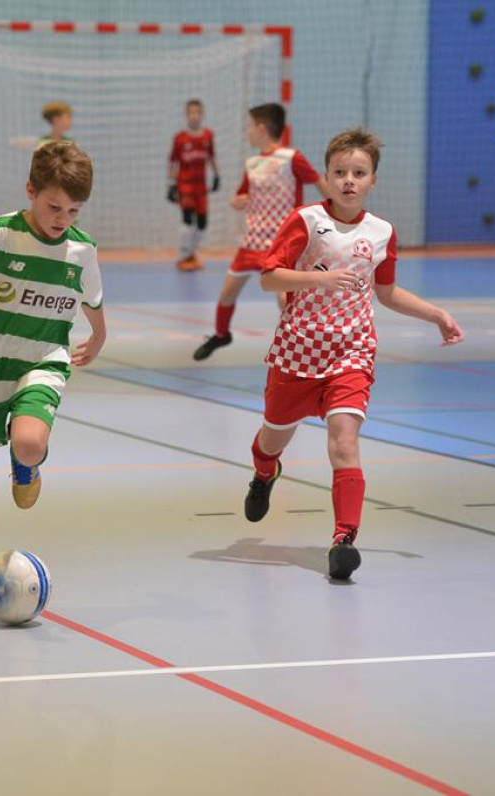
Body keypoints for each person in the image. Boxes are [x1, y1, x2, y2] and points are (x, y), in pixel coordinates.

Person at [242, 128, 464, 581]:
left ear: (373, 180)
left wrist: (436, 314)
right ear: (326, 177)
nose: (348, 180)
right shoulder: (306, 221)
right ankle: (264, 474)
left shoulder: (381, 232)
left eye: (358, 173)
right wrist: (319, 279)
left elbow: (387, 291)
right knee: (271, 440)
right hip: (298, 351)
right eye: (340, 172)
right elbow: (269, 278)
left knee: (344, 442)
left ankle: (343, 540)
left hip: (351, 352)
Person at [0, 142, 106, 616]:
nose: (62, 218)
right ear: (31, 191)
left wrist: (100, 333)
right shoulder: (1, 234)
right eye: (54, 207)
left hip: (43, 359)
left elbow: (91, 297)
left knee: (29, 443)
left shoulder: (82, 249)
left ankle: (25, 463)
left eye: (73, 210)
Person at [192, 103, 328, 361]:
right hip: (252, 241)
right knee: (227, 292)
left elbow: (321, 185)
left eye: (250, 127)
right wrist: (237, 201)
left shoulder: (291, 158)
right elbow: (241, 195)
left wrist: (337, 209)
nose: (247, 132)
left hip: (281, 242)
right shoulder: (252, 163)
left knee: (283, 298)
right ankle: (221, 334)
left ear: (262, 129)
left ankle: (297, 344)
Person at [168, 99, 220, 271]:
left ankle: (191, 253)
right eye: (191, 112)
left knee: (203, 223)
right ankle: (184, 255)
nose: (194, 116)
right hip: (185, 185)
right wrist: (171, 184)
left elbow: (211, 156)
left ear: (202, 115)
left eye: (197, 112)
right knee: (188, 219)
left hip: (201, 186)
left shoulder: (208, 136)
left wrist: (217, 175)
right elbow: (173, 162)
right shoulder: (180, 138)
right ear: (186, 115)